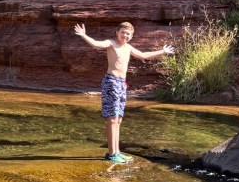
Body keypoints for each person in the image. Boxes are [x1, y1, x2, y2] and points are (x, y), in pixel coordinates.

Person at [74, 21, 174, 164]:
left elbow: (143, 55)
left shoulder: (128, 47)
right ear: (117, 33)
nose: (125, 35)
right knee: (112, 118)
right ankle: (111, 153)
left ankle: (116, 152)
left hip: (122, 84)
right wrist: (84, 35)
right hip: (111, 82)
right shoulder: (111, 43)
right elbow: (96, 44)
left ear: (131, 36)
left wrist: (162, 51)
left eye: (128, 34)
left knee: (118, 119)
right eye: (123, 33)